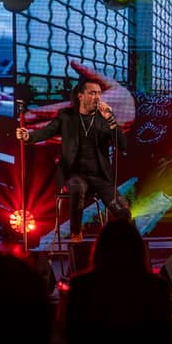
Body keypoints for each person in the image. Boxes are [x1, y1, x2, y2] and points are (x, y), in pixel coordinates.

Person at [16, 77, 130, 242]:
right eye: (92, 93)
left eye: (99, 93)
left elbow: (123, 145)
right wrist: (28, 136)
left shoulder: (104, 120)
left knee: (123, 211)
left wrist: (111, 120)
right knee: (78, 188)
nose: (97, 97)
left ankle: (120, 244)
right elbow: (47, 131)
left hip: (101, 178)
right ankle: (76, 233)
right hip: (74, 174)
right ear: (80, 96)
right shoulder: (67, 117)